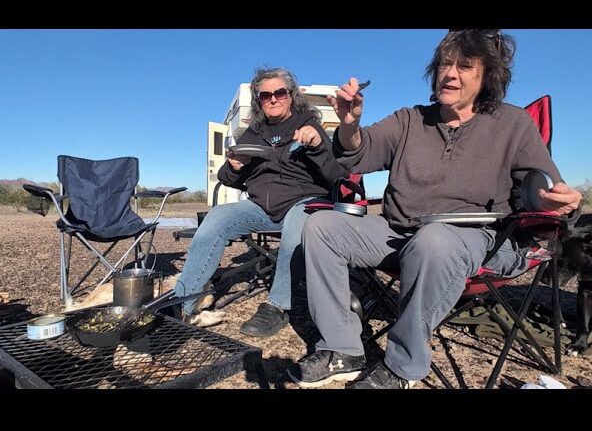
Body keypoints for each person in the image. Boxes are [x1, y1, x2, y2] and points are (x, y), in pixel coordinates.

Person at [288, 29, 583, 388]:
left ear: (488, 76)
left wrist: (559, 201)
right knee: (322, 226)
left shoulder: (513, 124)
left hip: (480, 239)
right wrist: (350, 125)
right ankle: (342, 349)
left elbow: (544, 191)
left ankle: (402, 367)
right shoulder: (410, 120)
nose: (450, 73)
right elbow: (359, 153)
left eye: (464, 66)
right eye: (445, 64)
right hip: (400, 231)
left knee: (434, 241)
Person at [173, 67, 348, 337]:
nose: (273, 99)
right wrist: (234, 166)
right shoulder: (253, 133)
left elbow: (336, 175)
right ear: (259, 101)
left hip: (304, 201)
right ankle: (183, 301)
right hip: (261, 208)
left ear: (291, 95)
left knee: (296, 224)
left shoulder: (309, 125)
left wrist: (317, 147)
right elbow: (227, 178)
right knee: (217, 216)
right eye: (265, 95)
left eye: (280, 92)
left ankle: (278, 306)